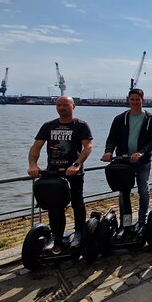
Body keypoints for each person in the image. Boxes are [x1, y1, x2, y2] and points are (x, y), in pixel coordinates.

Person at [27, 96, 93, 254]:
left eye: (65, 105)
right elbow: (36, 147)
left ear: (73, 106)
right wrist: (33, 165)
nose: (62, 107)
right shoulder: (49, 126)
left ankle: (78, 232)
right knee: (54, 205)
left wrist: (76, 164)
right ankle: (56, 235)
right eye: (59, 105)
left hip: (73, 172)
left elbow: (88, 146)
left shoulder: (81, 125)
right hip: (53, 172)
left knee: (77, 202)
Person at [101, 88, 152, 233]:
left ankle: (142, 221)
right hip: (123, 161)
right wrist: (108, 151)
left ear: (142, 101)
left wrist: (141, 152)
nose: (135, 102)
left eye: (137, 100)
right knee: (123, 192)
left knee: (143, 190)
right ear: (128, 100)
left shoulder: (151, 119)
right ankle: (125, 224)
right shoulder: (120, 119)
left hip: (142, 161)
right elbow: (112, 138)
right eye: (132, 99)